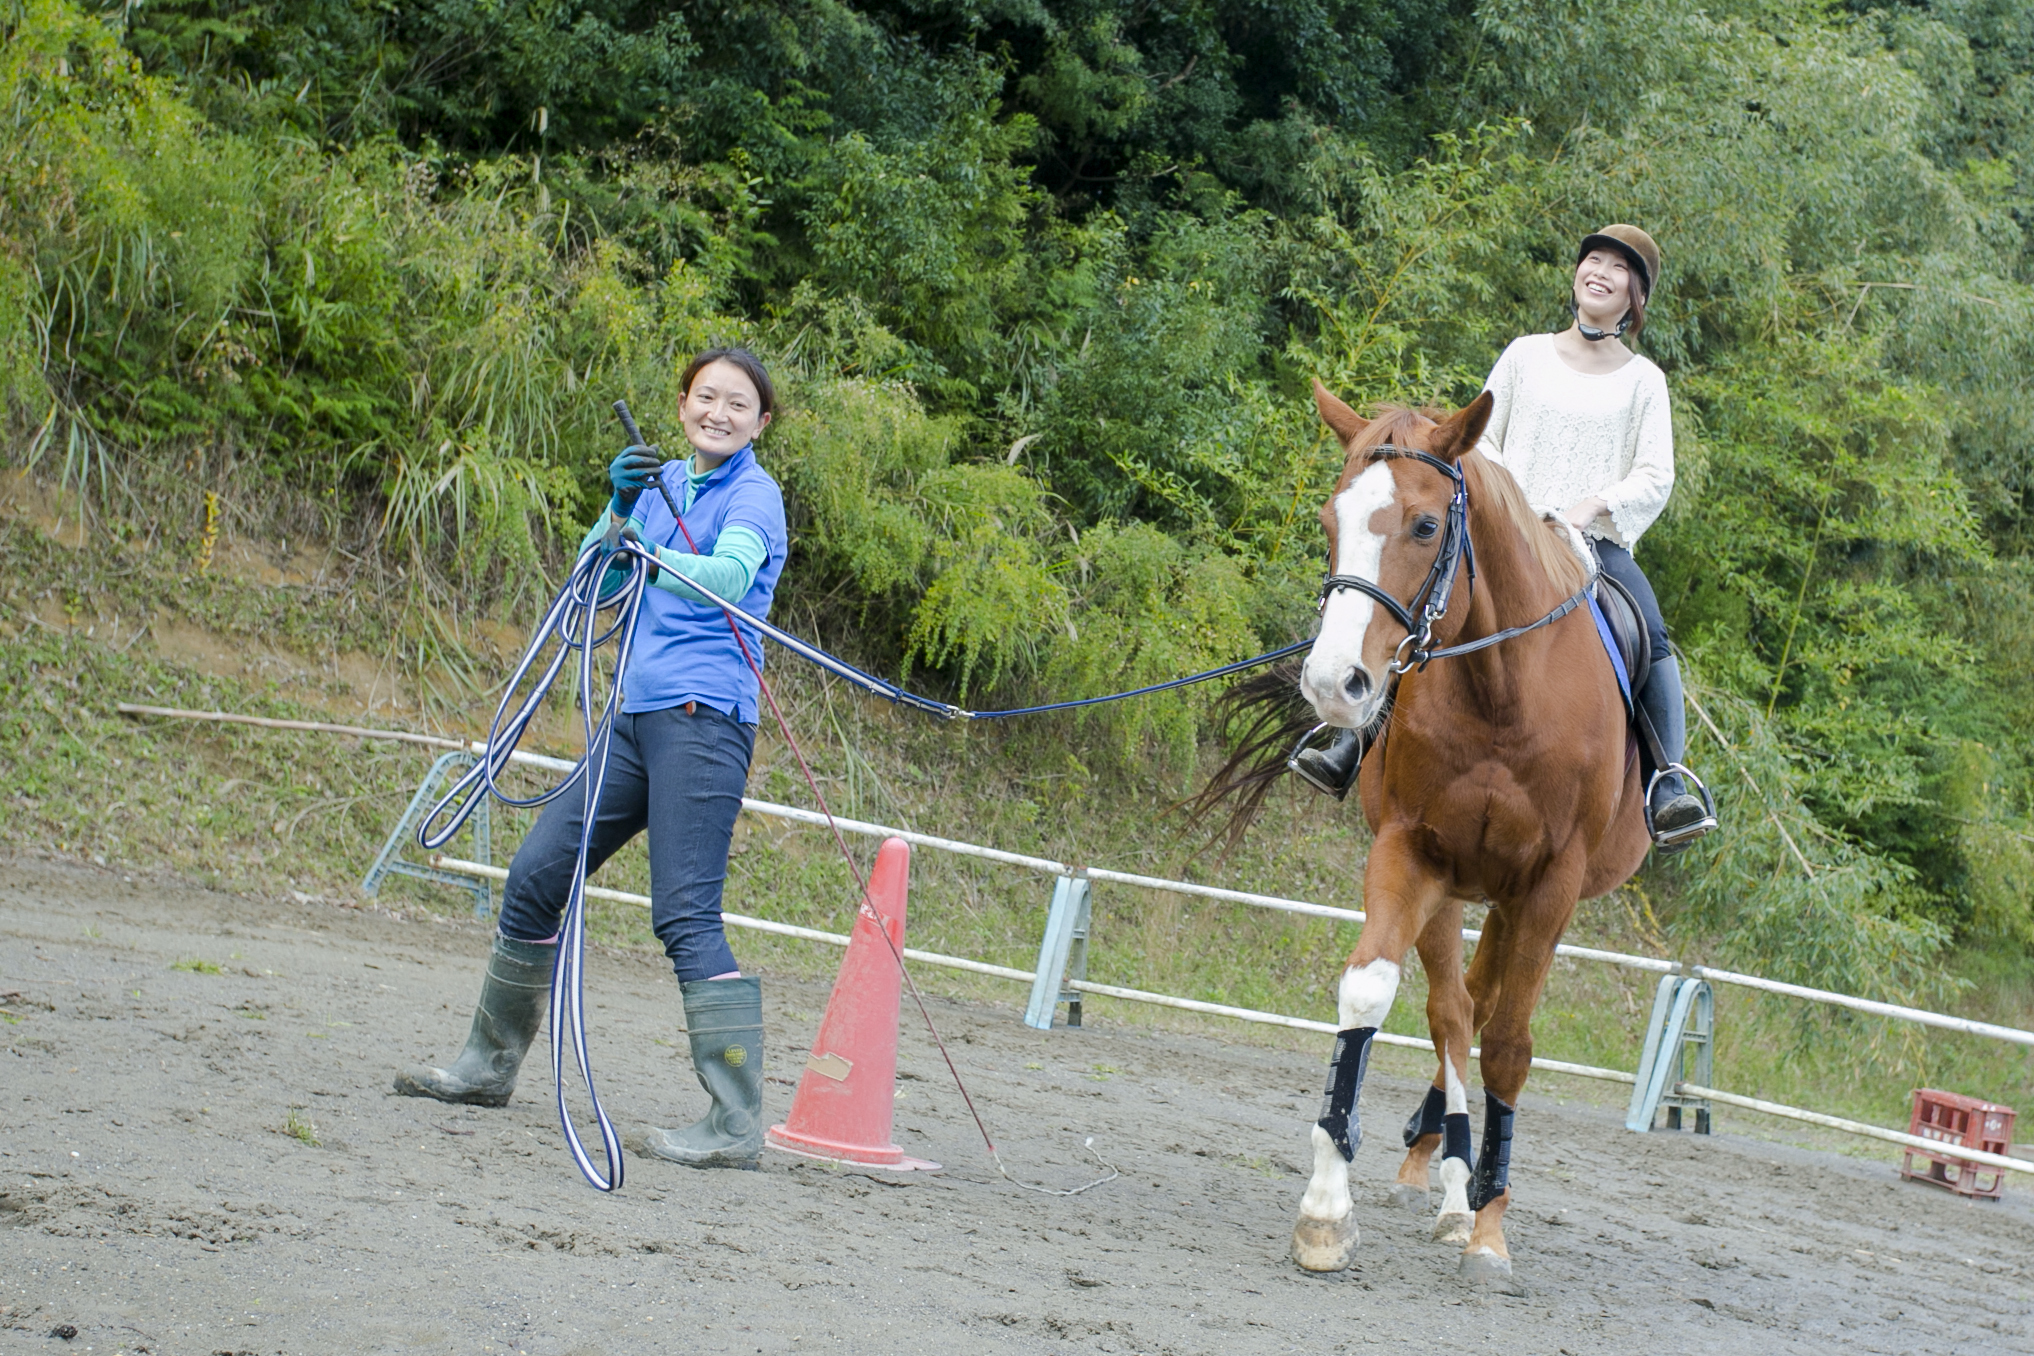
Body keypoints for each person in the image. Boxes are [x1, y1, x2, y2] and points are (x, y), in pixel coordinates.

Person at [395, 347, 790, 1168]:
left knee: (684, 914)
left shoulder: (757, 495)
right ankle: (486, 1064)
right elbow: (593, 582)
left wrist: (645, 554)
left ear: (760, 422)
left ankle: (734, 1123)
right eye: (706, 397)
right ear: (682, 405)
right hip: (635, 722)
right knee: (539, 872)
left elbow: (725, 574)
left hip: (704, 724)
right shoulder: (662, 488)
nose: (719, 412)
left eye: (738, 404)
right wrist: (616, 511)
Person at [1295, 225, 1716, 850]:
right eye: (1592, 260)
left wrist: (1592, 505)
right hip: (1505, 532)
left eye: (1617, 267)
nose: (1598, 271)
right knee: (1418, 598)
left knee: (1649, 634)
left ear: (1636, 294)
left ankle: (1668, 783)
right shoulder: (1525, 354)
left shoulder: (1643, 381)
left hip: (1589, 541)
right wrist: (1510, 503)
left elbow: (1656, 473)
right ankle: (1350, 736)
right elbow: (1483, 440)